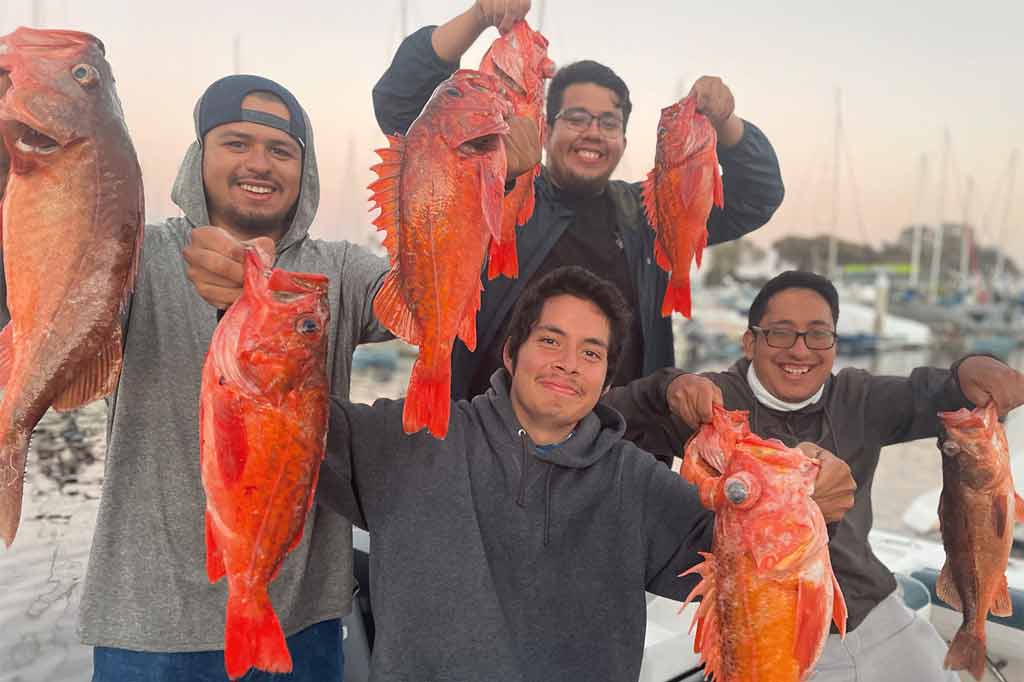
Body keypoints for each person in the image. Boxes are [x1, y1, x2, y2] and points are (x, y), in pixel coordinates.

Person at [315, 265, 854, 681]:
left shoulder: (638, 484)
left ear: (604, 377)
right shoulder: (407, 438)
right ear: (510, 352)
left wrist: (809, 503)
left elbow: (758, 563)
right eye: (550, 341)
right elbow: (280, 417)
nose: (569, 363)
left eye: (590, 352)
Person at [37, 74, 387, 681]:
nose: (260, 163)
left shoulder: (339, 270)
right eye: (236, 142)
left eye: (281, 150)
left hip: (296, 624)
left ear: (305, 171)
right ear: (200, 155)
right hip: (148, 626)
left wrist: (495, 182)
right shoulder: (134, 258)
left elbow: (422, 303)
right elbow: (34, 303)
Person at [603, 269, 1024, 681]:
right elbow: (606, 419)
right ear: (750, 341)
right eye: (780, 333)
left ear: (835, 345)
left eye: (818, 334)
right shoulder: (711, 402)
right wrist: (666, 388)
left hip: (874, 609)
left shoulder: (862, 397)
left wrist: (975, 365)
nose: (800, 351)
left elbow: (947, 396)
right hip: (774, 623)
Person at [371, 0, 786, 401]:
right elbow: (402, 103)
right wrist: (478, 16)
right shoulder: (495, 184)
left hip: (621, 448)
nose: (593, 132)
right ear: (544, 130)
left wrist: (724, 122)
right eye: (576, 118)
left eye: (609, 122)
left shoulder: (650, 214)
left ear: (623, 141)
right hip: (491, 442)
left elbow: (758, 195)